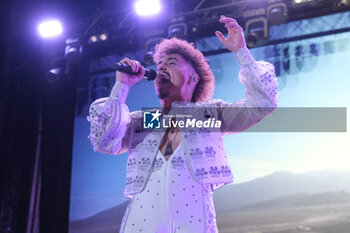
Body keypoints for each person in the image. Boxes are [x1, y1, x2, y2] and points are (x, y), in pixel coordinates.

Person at [87, 15, 278, 233]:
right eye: (159, 65)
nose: (161, 68)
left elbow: (262, 105)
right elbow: (105, 141)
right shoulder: (141, 122)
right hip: (142, 221)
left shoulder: (209, 115)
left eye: (171, 63)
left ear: (193, 78)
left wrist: (242, 53)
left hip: (193, 219)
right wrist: (121, 87)